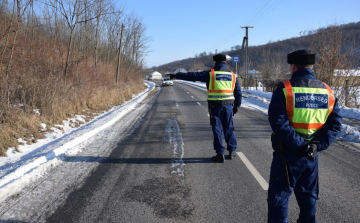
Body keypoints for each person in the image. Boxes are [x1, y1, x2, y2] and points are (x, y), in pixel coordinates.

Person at [267, 50, 342, 223]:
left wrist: (301, 145)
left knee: (279, 201)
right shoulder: (328, 91)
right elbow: (335, 123)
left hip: (287, 156)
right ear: (312, 66)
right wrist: (317, 145)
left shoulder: (285, 89)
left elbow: (279, 123)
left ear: (293, 66)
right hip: (312, 156)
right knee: (309, 199)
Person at [168, 54, 242, 163]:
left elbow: (193, 76)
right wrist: (236, 106)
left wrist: (176, 75)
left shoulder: (211, 74)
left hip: (215, 106)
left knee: (217, 129)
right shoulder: (232, 75)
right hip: (228, 106)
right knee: (229, 128)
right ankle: (231, 152)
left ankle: (220, 154)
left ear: (215, 62)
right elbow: (238, 93)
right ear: (225, 62)